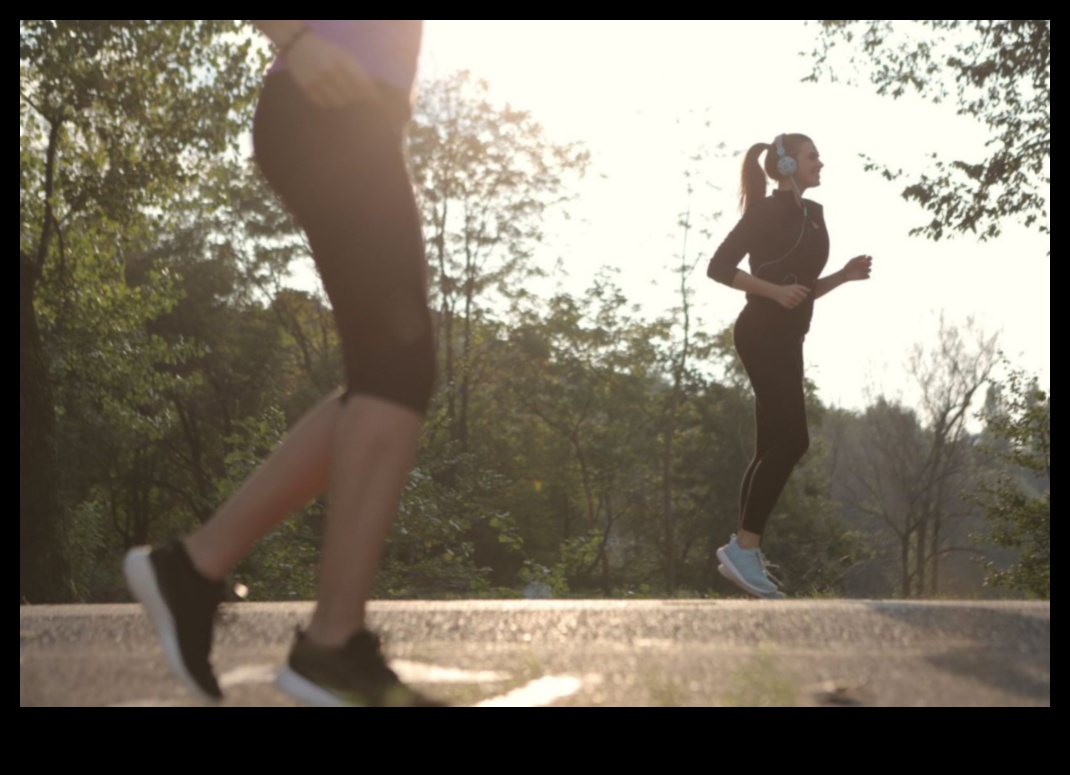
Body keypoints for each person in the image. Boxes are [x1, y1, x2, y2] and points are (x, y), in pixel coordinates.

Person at [123, 20, 441, 706]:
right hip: (325, 104)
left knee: (384, 375)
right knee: (399, 368)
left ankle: (195, 568)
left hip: (357, 119)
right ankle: (330, 646)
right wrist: (296, 37)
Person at [706, 133, 872, 600]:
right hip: (760, 332)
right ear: (786, 164)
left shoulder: (813, 216)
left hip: (788, 337)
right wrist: (773, 292)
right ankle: (744, 548)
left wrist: (842, 276)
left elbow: (801, 287)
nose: (821, 163)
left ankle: (745, 551)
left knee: (770, 447)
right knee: (793, 440)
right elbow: (719, 267)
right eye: (812, 157)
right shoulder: (764, 213)